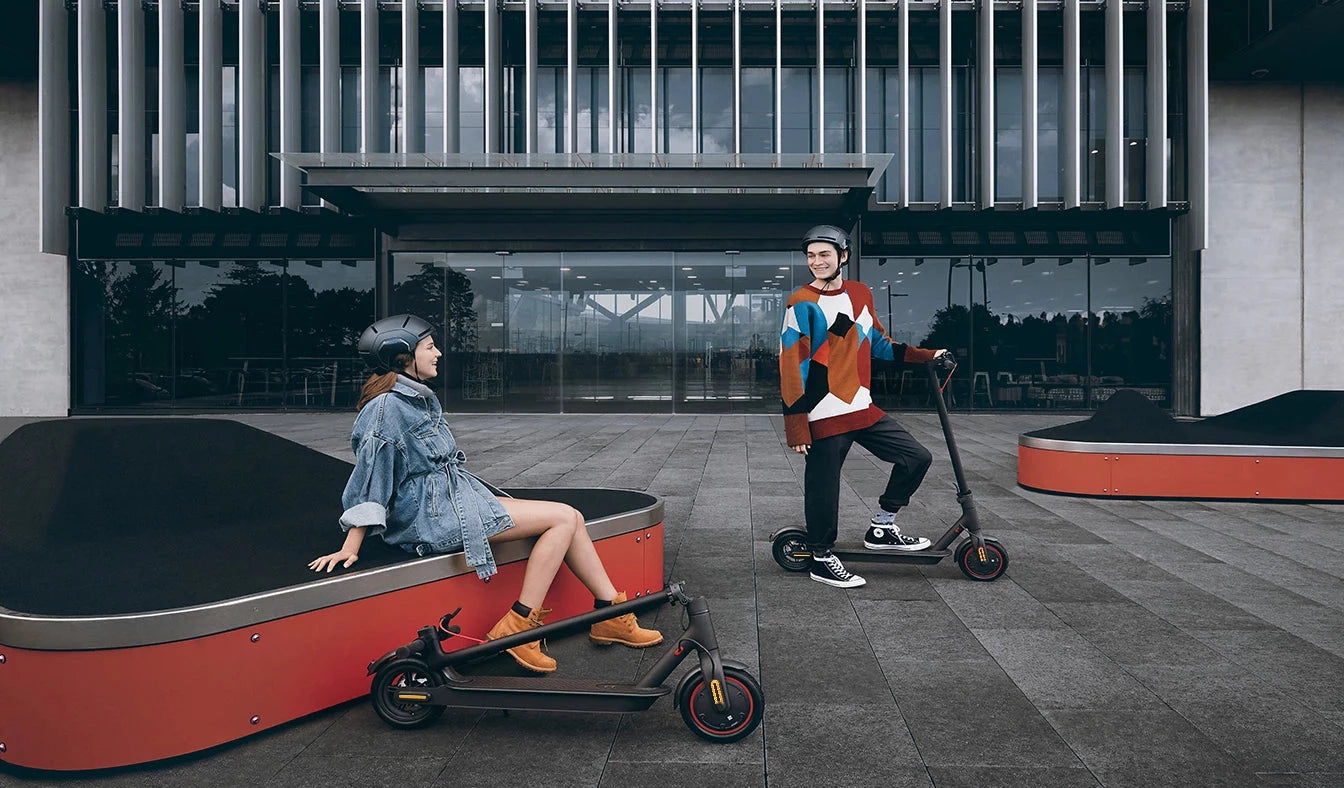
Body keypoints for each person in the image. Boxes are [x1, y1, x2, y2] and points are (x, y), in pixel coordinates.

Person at [309, 314, 662, 673]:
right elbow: (372, 476)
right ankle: (519, 628)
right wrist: (351, 546)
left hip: (451, 499)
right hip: (429, 518)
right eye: (429, 347)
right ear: (402, 357)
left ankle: (611, 615)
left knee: (571, 516)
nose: (439, 353)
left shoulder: (414, 398)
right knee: (562, 519)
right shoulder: (386, 409)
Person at [779, 225, 950, 589]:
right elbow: (792, 363)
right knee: (823, 487)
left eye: (824, 254)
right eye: (811, 256)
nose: (816, 261)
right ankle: (821, 557)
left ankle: (882, 526)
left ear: (843, 256)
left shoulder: (860, 294)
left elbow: (879, 344)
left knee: (916, 457)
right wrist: (796, 424)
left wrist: (926, 355)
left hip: (862, 407)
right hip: (823, 413)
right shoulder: (801, 302)